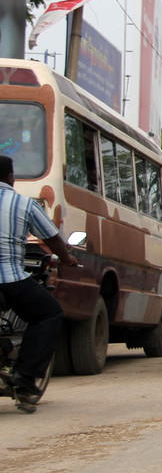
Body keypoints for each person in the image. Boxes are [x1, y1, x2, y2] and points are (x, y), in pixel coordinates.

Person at [0, 156, 75, 399]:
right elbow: (52, 238)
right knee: (48, 313)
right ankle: (25, 376)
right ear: (11, 177)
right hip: (10, 279)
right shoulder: (22, 204)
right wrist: (66, 258)